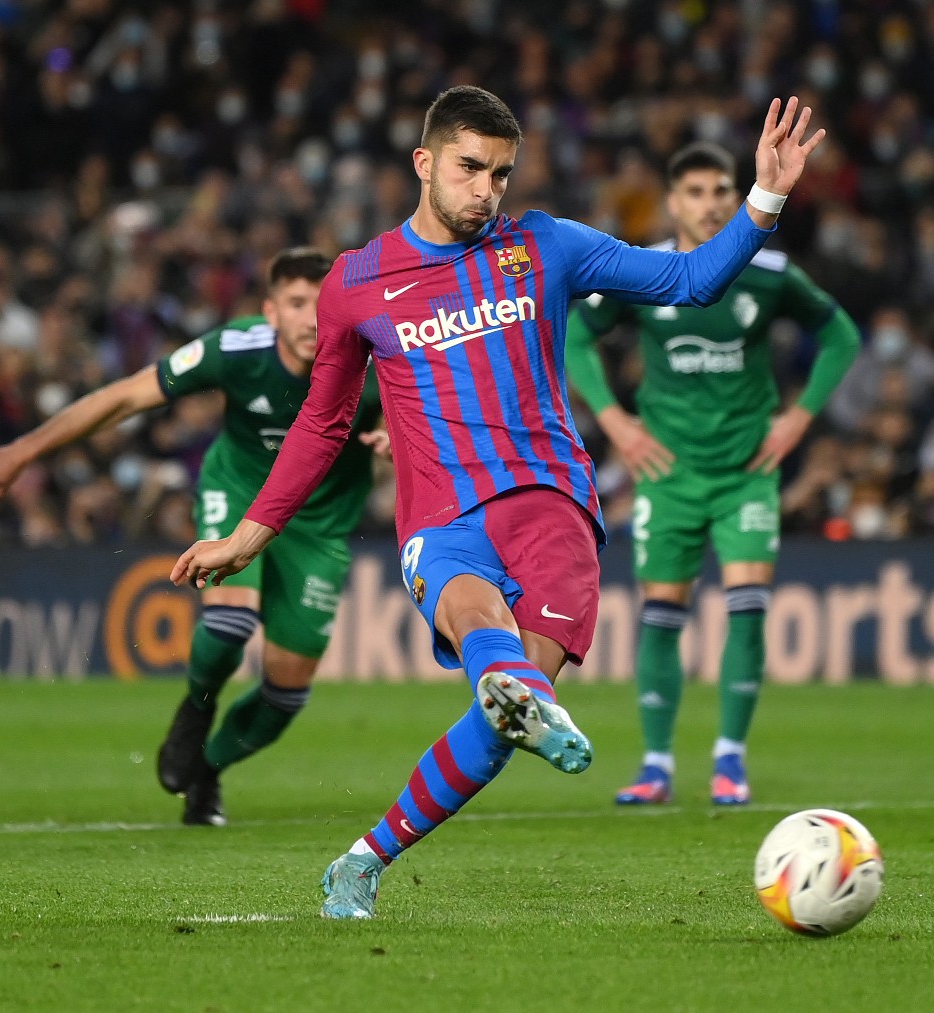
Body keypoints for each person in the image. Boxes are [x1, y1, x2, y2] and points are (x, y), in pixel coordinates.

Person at [172, 86, 823, 918]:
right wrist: (250, 535)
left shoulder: (545, 246)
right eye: (470, 168)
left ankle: (364, 859)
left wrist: (766, 194)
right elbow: (323, 420)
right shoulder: (357, 283)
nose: (487, 190)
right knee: (481, 623)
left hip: (554, 509)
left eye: (502, 173)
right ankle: (514, 690)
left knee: (507, 714)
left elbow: (690, 279)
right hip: (443, 519)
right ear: (425, 163)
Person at [0, 248, 385, 827]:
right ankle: (197, 708)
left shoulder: (378, 363)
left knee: (284, 696)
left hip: (320, 523)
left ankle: (206, 769)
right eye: (296, 304)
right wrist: (22, 452)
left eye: (321, 304)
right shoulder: (235, 348)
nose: (310, 319)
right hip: (239, 492)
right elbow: (125, 395)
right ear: (270, 311)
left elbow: (437, 418)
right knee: (229, 625)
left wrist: (398, 438)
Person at [564, 142, 861, 808]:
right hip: (667, 470)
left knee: (748, 608)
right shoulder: (644, 272)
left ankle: (730, 758)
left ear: (737, 197)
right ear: (673, 204)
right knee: (661, 614)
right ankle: (656, 763)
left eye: (720, 190)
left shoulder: (771, 271)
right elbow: (575, 337)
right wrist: (614, 420)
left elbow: (841, 334)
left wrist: (799, 418)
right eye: (694, 192)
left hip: (746, 470)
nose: (709, 204)